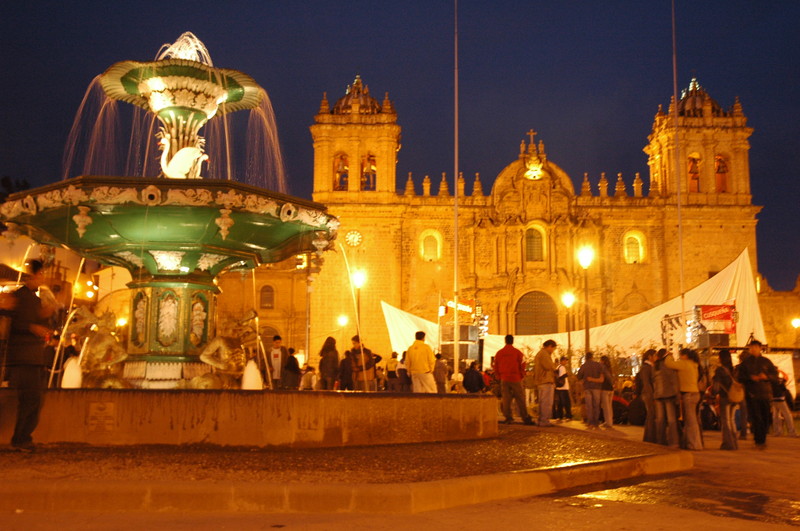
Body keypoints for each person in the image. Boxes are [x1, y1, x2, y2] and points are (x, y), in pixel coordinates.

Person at [2, 260, 57, 452]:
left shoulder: (34, 299)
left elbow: (35, 321)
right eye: (43, 274)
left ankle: (23, 438)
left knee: (34, 399)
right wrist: (33, 327)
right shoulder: (19, 296)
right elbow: (16, 323)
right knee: (31, 398)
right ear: (35, 274)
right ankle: (21, 439)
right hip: (22, 357)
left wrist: (46, 315)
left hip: (33, 357)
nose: (45, 278)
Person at [737, 339, 777, 449]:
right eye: (751, 347)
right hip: (751, 394)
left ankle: (762, 439)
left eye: (755, 347)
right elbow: (740, 378)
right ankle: (758, 441)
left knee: (765, 418)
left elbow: (775, 376)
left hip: (765, 393)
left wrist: (766, 377)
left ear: (760, 348)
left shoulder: (766, 362)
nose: (753, 349)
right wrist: (750, 378)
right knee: (755, 417)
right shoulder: (745, 363)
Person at [664, 348, 703, 450]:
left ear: (685, 356)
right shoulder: (694, 365)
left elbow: (669, 364)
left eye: (681, 355)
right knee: (692, 420)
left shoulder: (684, 363)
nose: (680, 357)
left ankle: (694, 445)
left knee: (691, 422)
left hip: (688, 395)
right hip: (695, 393)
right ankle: (692, 443)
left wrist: (669, 355)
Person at [494, 335, 534, 425]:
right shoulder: (517, 352)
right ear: (512, 341)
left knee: (506, 399)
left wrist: (499, 375)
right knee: (520, 398)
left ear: (505, 341)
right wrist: (521, 374)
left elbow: (495, 365)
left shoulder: (499, 353)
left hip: (504, 378)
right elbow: (523, 363)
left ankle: (508, 417)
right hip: (515, 378)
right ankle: (525, 417)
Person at [712, 349, 739, 450]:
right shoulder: (733, 369)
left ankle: (728, 443)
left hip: (725, 397)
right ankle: (735, 443)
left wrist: (714, 394)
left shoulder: (720, 370)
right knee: (732, 421)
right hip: (734, 397)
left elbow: (716, 385)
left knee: (725, 421)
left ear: (720, 358)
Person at [653, 348, 681, 448]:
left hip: (658, 395)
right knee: (671, 420)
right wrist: (677, 395)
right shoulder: (668, 365)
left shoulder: (655, 366)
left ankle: (661, 441)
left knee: (660, 420)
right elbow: (673, 380)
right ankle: (674, 442)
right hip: (669, 395)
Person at [577, 351, 610, 429]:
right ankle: (596, 423)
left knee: (589, 405)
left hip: (587, 387)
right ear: (592, 357)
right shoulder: (598, 365)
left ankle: (590, 422)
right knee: (596, 405)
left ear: (586, 358)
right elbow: (604, 374)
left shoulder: (583, 366)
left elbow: (579, 377)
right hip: (597, 388)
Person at [533, 339, 557, 426]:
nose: (553, 351)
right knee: (546, 402)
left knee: (543, 402)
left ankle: (541, 420)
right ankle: (544, 421)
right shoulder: (544, 354)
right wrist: (554, 366)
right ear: (550, 346)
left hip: (542, 381)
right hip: (546, 381)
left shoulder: (541, 353)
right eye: (553, 349)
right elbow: (548, 366)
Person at [638, 349, 658, 443]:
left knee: (652, 415)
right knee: (651, 415)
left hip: (649, 394)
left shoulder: (650, 367)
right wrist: (652, 395)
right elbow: (647, 383)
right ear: (650, 357)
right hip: (648, 394)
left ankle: (650, 437)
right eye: (655, 355)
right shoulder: (646, 368)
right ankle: (649, 438)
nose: (656, 357)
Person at [771, 370, 797, 437]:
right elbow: (785, 379)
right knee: (787, 415)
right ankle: (792, 432)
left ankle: (777, 432)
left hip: (773, 399)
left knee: (776, 416)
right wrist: (781, 371)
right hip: (780, 399)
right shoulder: (780, 380)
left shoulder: (769, 380)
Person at [599, 355, 616, 428]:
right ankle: (609, 421)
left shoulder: (603, 368)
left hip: (605, 389)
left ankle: (608, 423)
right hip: (611, 389)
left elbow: (603, 379)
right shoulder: (610, 368)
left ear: (602, 361)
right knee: (609, 406)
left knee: (606, 407)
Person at [553, 356, 572, 421]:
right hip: (564, 387)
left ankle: (559, 416)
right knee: (567, 403)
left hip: (558, 388)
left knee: (559, 403)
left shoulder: (557, 367)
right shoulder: (562, 367)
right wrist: (566, 374)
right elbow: (561, 377)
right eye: (565, 360)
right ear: (561, 361)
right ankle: (568, 416)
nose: (566, 362)